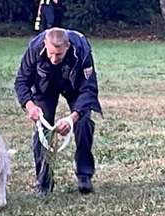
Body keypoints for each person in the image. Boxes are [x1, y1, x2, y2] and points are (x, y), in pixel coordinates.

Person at [14, 27, 102, 196]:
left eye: (59, 54)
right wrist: (30, 105)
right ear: (45, 44)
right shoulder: (34, 48)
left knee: (84, 122)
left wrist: (71, 118)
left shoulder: (82, 49)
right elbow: (21, 82)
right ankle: (44, 183)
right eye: (51, 53)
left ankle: (84, 175)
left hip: (74, 86)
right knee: (42, 129)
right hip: (44, 88)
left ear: (67, 47)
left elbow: (89, 90)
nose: (54, 58)